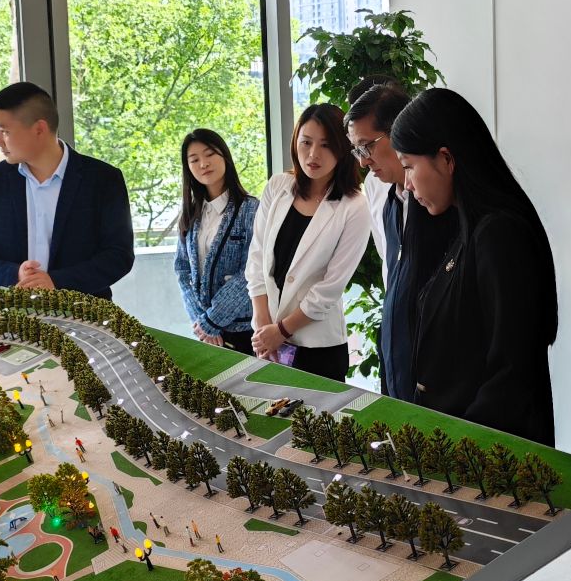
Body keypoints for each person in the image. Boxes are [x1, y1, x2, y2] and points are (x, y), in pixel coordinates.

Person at [390, 86, 556, 581]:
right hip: (459, 445)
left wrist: (455, 455)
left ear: (447, 158)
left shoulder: (499, 233)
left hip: (482, 452)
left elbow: (511, 366)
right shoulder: (462, 225)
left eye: (410, 166)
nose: (407, 183)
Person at [0, 82, 133, 299]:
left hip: (85, 313)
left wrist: (57, 282)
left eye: (4, 131)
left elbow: (119, 256)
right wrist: (16, 274)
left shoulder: (103, 179)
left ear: (39, 129)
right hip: (14, 314)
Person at [245, 104, 371, 381]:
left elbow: (330, 287)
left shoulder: (355, 206)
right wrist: (263, 324)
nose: (313, 154)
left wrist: (281, 331)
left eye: (326, 145)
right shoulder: (278, 186)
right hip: (267, 336)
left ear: (343, 148)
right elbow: (257, 258)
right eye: (306, 142)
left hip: (318, 347)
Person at [346, 80, 418, 399]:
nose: (363, 161)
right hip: (395, 334)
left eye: (367, 146)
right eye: (356, 150)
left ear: (399, 131)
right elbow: (390, 264)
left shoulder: (442, 198)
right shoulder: (379, 189)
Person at [172, 128, 260, 357]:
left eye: (210, 154)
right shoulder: (190, 213)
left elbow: (251, 271)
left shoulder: (251, 208)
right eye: (194, 159)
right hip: (206, 333)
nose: (203, 164)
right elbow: (182, 270)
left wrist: (212, 320)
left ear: (224, 156)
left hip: (243, 330)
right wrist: (200, 321)